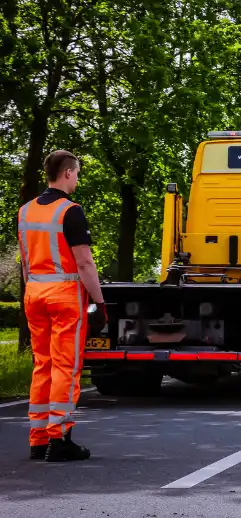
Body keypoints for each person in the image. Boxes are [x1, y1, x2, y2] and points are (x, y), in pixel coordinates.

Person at [17, 150, 105, 462]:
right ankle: (61, 437)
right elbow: (84, 263)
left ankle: (38, 438)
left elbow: (26, 262)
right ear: (68, 173)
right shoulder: (70, 211)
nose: (78, 179)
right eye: (78, 173)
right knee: (65, 366)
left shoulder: (25, 211)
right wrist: (99, 302)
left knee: (43, 364)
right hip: (64, 295)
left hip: (35, 293)